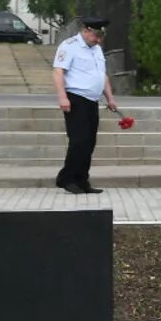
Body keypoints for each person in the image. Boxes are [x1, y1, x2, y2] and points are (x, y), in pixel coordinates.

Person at [52, 17, 120, 194]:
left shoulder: (96, 49)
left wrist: (110, 98)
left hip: (92, 101)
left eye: (101, 37)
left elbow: (102, 76)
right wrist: (62, 97)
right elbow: (58, 71)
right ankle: (67, 178)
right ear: (87, 30)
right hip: (75, 98)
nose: (98, 40)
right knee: (79, 140)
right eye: (96, 36)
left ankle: (82, 179)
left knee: (89, 142)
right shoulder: (70, 46)